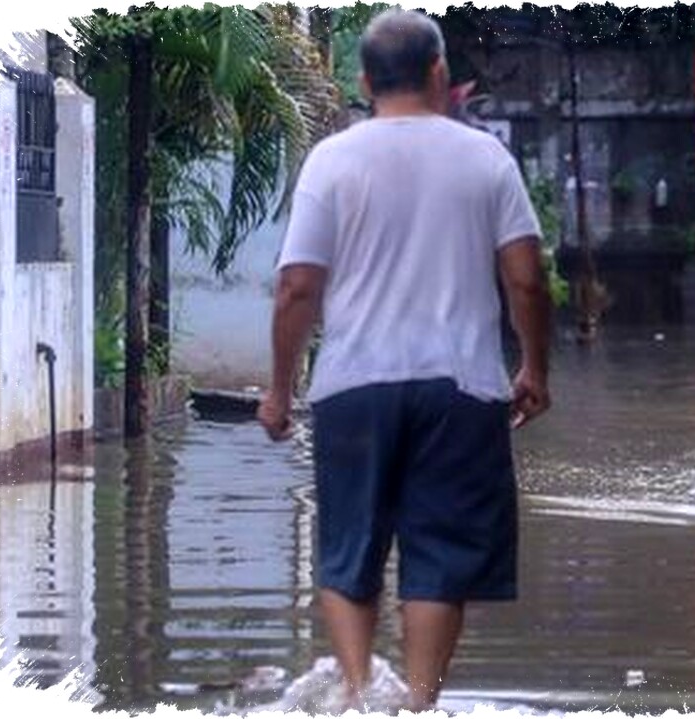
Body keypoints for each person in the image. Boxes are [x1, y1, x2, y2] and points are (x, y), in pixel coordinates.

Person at [256, 8, 552, 712]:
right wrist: (536, 369)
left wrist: (276, 390)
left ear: (363, 81)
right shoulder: (486, 159)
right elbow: (527, 278)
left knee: (347, 547)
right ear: (440, 73)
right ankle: (418, 704)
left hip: (354, 386)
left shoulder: (332, 160)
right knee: (441, 558)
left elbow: (298, 285)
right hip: (462, 389)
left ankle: (359, 692)